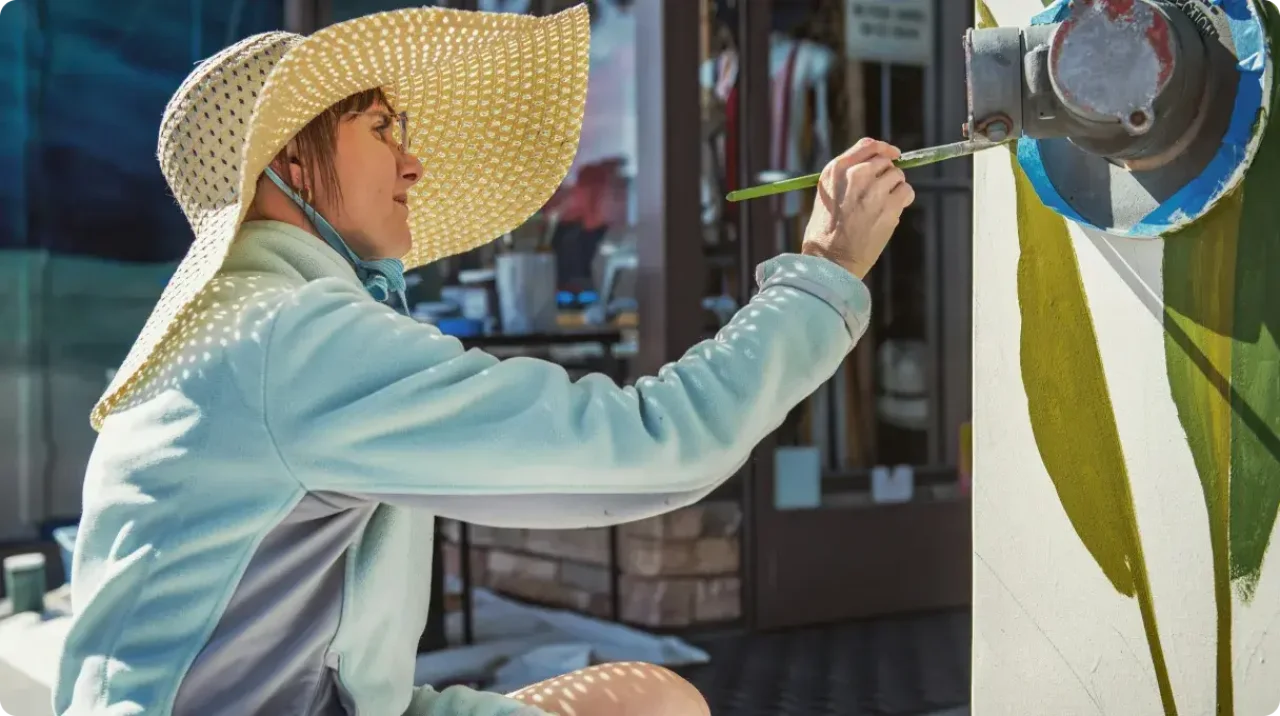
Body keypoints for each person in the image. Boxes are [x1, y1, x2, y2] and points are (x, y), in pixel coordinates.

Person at [56, 5, 913, 716]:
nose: (414, 160)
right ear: (289, 157)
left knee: (652, 700)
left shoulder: (242, 325)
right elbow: (658, 446)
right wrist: (823, 275)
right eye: (381, 126)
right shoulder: (291, 337)